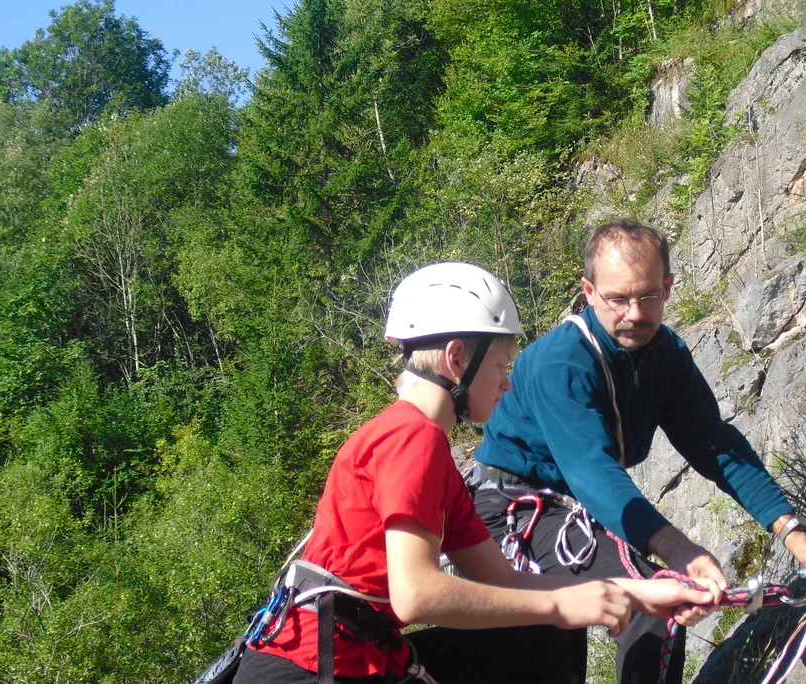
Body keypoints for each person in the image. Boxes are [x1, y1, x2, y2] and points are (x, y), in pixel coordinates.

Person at [233, 262, 712, 684]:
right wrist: (564, 605)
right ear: (457, 358)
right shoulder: (411, 437)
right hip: (314, 668)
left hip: (352, 659)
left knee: (542, 636)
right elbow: (416, 595)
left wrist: (640, 591)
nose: (508, 381)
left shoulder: (429, 451)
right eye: (501, 364)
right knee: (546, 628)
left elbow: (502, 582)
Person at [471, 221, 806, 683]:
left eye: (647, 297)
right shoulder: (561, 363)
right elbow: (591, 469)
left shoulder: (664, 354)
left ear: (668, 287)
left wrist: (796, 536)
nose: (634, 314)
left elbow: (715, 445)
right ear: (588, 291)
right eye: (617, 299)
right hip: (512, 512)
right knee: (654, 603)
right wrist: (679, 550)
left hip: (564, 510)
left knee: (569, 653)